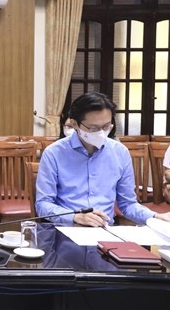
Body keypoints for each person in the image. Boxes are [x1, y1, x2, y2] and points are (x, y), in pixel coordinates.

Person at [36, 92, 170, 226]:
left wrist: (155, 216)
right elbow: (43, 204)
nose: (101, 132)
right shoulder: (54, 153)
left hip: (105, 231)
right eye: (93, 128)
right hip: (66, 229)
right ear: (74, 124)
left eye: (106, 126)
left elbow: (128, 204)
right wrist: (74, 217)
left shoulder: (119, 152)